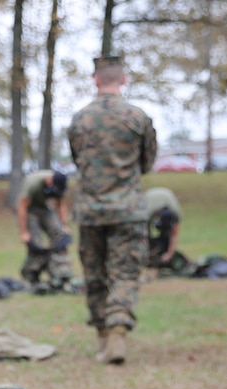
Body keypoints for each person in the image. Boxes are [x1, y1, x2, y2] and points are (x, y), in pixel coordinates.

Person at [67, 55, 157, 365]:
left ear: (95, 80)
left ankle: (102, 337)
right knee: (125, 273)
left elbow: (78, 160)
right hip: (128, 210)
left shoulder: (80, 119)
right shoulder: (138, 117)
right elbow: (146, 163)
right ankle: (118, 329)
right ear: (124, 79)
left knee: (95, 274)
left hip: (91, 210)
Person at [13, 169, 73, 291]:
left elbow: (60, 204)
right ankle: (30, 275)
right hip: (29, 209)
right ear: (50, 181)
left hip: (44, 208)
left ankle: (61, 274)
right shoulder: (33, 182)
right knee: (36, 242)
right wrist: (24, 232)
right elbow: (22, 206)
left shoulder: (58, 183)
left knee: (60, 236)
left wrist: (64, 225)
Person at [145, 186, 185, 273]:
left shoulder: (177, 214)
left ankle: (162, 251)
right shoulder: (147, 212)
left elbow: (174, 235)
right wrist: (146, 255)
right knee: (145, 235)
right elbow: (143, 234)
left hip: (168, 195)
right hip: (150, 197)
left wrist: (169, 254)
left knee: (166, 237)